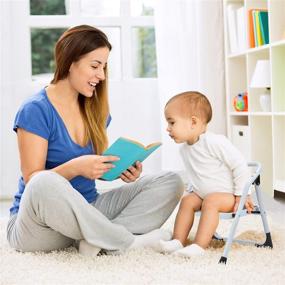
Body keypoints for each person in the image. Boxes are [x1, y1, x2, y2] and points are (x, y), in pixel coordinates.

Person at [6, 25, 184, 256]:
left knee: (171, 181)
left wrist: (120, 169)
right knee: (43, 182)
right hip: (38, 227)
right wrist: (76, 167)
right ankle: (123, 241)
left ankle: (96, 239)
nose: (101, 75)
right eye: (95, 66)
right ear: (70, 62)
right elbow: (33, 181)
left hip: (87, 211)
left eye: (104, 67)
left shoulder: (94, 108)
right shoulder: (36, 110)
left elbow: (96, 168)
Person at [157, 91, 254, 257]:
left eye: (172, 122)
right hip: (204, 193)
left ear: (193, 122)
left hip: (228, 195)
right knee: (187, 200)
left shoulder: (215, 142)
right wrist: (191, 190)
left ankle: (199, 246)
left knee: (211, 201)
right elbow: (198, 174)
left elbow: (240, 165)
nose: (168, 128)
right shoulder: (185, 149)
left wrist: (241, 195)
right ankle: (178, 240)